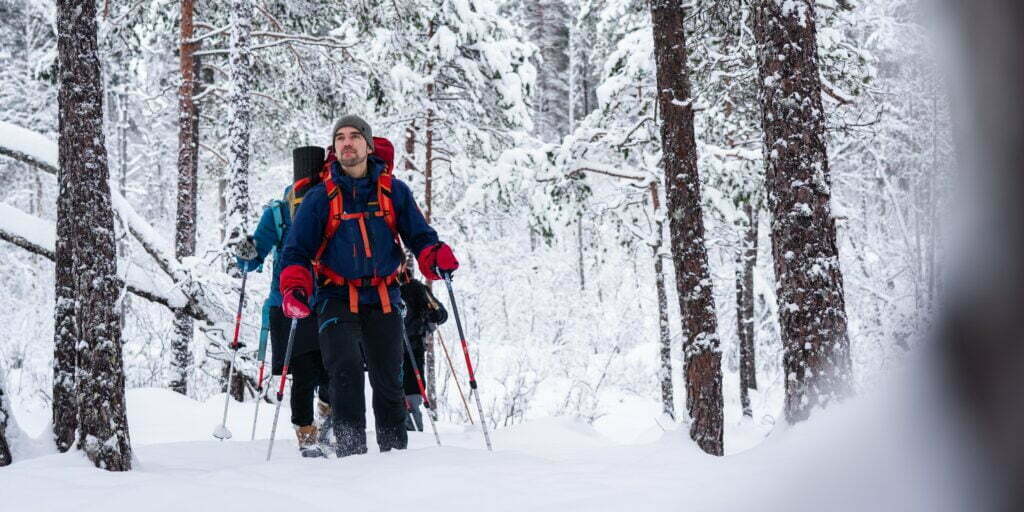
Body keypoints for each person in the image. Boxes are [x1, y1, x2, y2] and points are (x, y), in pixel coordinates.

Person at [278, 115, 460, 457]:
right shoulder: (320, 198)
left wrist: (434, 256)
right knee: (344, 378)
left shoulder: (394, 192)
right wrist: (295, 286)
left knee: (389, 383)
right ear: (334, 149)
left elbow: (420, 236)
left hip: (384, 297)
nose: (347, 143)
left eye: (354, 136)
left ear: (368, 144)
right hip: (335, 295)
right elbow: (296, 250)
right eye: (340, 138)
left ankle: (395, 459)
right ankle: (352, 461)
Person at [234, 149, 330, 458]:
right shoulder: (277, 213)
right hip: (290, 303)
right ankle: (307, 432)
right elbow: (254, 255)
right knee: (305, 373)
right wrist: (247, 252)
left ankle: (323, 420)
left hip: (325, 300)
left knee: (332, 369)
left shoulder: (332, 204)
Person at [397, 265, 448, 431]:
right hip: (388, 349)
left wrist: (431, 315)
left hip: (413, 348)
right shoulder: (376, 287)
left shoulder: (416, 288)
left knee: (411, 392)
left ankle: (414, 434)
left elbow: (440, 313)